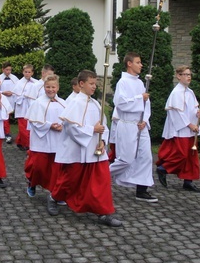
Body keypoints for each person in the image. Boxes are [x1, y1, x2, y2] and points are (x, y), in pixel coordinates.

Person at [50, 70, 122, 227]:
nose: (94, 86)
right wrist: (92, 131)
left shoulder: (96, 103)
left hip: (95, 150)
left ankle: (104, 213)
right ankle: (54, 198)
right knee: (69, 180)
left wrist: (102, 140)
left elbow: (103, 126)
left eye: (95, 83)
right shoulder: (75, 103)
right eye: (91, 83)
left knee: (101, 180)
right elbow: (70, 127)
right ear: (81, 84)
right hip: (77, 150)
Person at [109, 52, 157, 202]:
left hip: (140, 125)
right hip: (128, 124)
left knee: (146, 157)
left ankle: (141, 190)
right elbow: (120, 103)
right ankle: (99, 174)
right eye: (138, 62)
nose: (141, 65)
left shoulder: (140, 82)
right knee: (126, 159)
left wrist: (145, 119)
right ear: (129, 64)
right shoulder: (122, 82)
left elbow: (146, 104)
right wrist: (139, 98)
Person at [156, 65, 200, 192]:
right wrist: (190, 125)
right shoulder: (176, 93)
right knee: (181, 154)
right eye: (186, 74)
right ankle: (163, 169)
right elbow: (177, 114)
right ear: (178, 76)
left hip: (190, 129)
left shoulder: (190, 92)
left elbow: (192, 109)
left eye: (190, 75)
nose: (189, 77)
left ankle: (188, 181)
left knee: (191, 155)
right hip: (181, 129)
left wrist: (198, 114)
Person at [24, 74, 66, 204]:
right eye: (48, 87)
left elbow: (69, 119)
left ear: (58, 87)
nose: (50, 89)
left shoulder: (63, 103)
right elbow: (34, 121)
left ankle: (55, 193)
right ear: (44, 87)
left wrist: (62, 126)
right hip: (41, 141)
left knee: (56, 169)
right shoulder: (38, 102)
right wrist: (49, 125)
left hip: (57, 141)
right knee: (38, 167)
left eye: (53, 87)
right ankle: (32, 183)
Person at [12, 64, 38, 150]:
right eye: (25, 72)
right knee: (23, 127)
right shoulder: (19, 83)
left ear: (32, 73)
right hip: (22, 107)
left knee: (29, 126)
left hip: (31, 107)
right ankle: (26, 144)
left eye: (29, 72)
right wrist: (24, 95)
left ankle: (19, 141)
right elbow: (15, 96)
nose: (27, 74)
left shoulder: (36, 82)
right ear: (23, 72)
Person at [0, 62, 19, 144]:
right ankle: (6, 134)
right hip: (2, 100)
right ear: (3, 69)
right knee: (4, 117)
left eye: (10, 70)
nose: (8, 71)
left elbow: (18, 88)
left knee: (7, 117)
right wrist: (3, 92)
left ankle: (5, 133)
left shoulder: (14, 78)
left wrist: (12, 92)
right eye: (6, 70)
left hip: (11, 100)